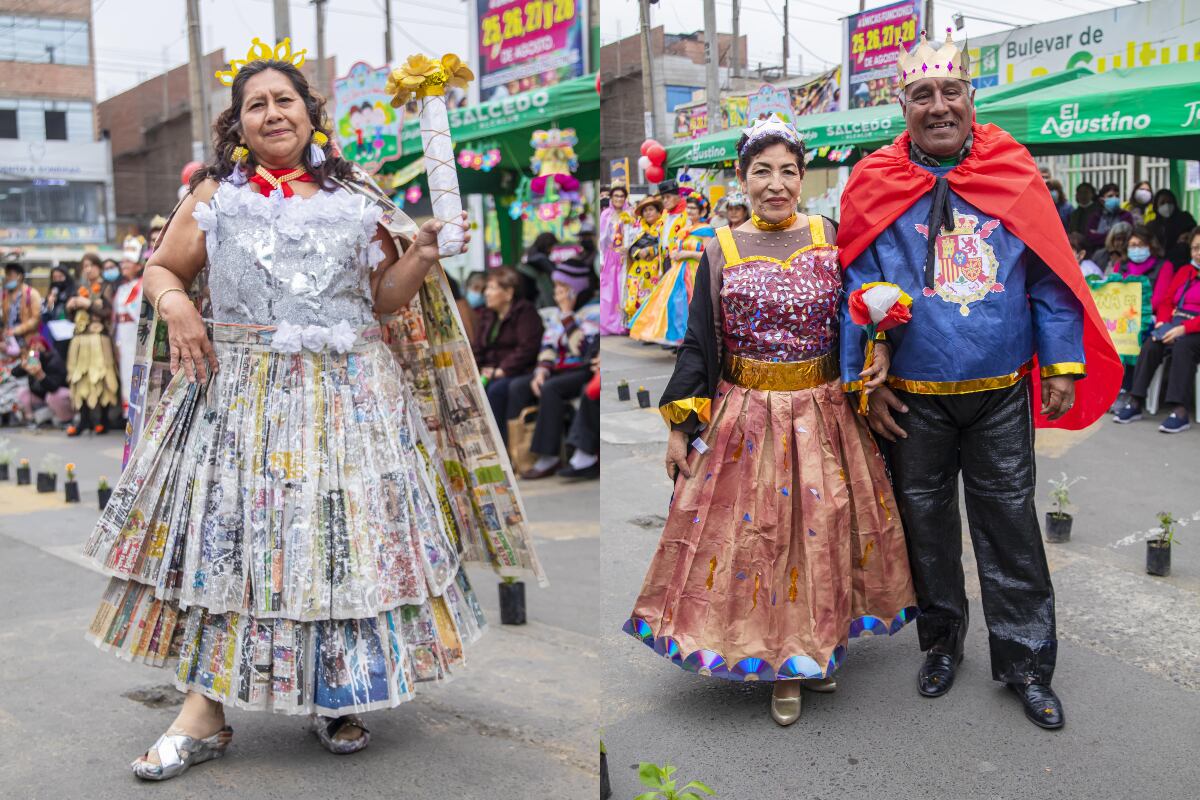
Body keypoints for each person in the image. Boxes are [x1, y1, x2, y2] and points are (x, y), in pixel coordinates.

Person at [80, 47, 539, 780]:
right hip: (240, 400)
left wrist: (420, 253)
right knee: (229, 546)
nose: (273, 114)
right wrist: (173, 304)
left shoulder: (359, 196)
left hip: (349, 403)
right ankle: (205, 712)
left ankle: (336, 691)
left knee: (338, 543)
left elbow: (383, 300)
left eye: (284, 101)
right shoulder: (213, 197)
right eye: (256, 104)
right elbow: (164, 267)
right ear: (241, 123)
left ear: (309, 112)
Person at [837, 30, 1121, 731]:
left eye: (951, 91)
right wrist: (865, 381)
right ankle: (939, 642)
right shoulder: (875, 180)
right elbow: (854, 281)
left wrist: (1059, 361)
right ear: (900, 104)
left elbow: (1050, 274)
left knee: (1010, 527)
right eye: (921, 94)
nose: (938, 106)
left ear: (972, 97)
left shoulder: (1013, 170)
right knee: (926, 529)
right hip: (913, 399)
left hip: (999, 392)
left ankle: (1026, 661)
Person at [625, 115, 917, 726]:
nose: (776, 184)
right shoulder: (717, 249)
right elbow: (699, 346)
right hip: (746, 419)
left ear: (803, 178)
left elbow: (863, 314)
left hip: (825, 413)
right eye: (763, 171)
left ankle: (817, 647)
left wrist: (878, 352)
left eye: (788, 171)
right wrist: (681, 426)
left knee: (824, 531)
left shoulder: (832, 237)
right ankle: (784, 662)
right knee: (763, 546)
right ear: (742, 178)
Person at [507, 267, 599, 479]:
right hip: (559, 370)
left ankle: (548, 456)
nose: (557, 292)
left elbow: (583, 348)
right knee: (519, 386)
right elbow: (548, 346)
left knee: (552, 389)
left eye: (562, 287)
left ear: (575, 290)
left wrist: (568, 315)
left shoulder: (593, 311)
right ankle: (517, 452)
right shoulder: (557, 315)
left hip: (583, 369)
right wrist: (541, 371)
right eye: (556, 286)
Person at [1114, 226, 1200, 432]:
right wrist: (1162, 322)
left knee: (1182, 347)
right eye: (1196, 247)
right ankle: (1135, 401)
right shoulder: (1185, 271)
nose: (1199, 252)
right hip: (1175, 322)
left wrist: (1184, 329)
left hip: (1193, 329)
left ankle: (1180, 411)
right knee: (1152, 342)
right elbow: (1167, 301)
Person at [628, 191, 714, 345]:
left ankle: (695, 339)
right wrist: (675, 253)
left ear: (702, 211)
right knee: (676, 305)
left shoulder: (705, 230)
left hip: (695, 272)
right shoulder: (685, 229)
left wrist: (685, 253)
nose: (690, 211)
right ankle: (681, 338)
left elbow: (708, 255)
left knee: (692, 305)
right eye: (688, 208)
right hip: (679, 270)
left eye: (694, 208)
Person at [472, 267, 543, 442]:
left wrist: (502, 370)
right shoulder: (488, 314)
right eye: (487, 288)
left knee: (497, 390)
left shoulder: (525, 312)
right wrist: (476, 368)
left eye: (492, 288)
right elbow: (479, 347)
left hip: (519, 370)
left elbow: (527, 348)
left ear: (509, 292)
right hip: (492, 371)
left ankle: (503, 445)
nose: (486, 293)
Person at [64, 255, 119, 436]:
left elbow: (107, 312)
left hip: (98, 339)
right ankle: (84, 421)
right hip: (80, 339)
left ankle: (103, 421)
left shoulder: (106, 287)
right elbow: (71, 318)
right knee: (80, 379)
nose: (88, 269)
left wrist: (87, 304)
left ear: (98, 268)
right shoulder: (80, 289)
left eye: (91, 266)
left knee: (102, 378)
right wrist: (70, 307)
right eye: (85, 266)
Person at [558, 337, 600, 479]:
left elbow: (579, 345)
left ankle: (584, 453)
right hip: (585, 362)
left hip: (586, 364)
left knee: (589, 391)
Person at [113, 236, 146, 416]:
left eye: (128, 262)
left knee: (136, 374)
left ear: (138, 265)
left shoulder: (141, 286)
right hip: (123, 337)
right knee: (125, 375)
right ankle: (128, 418)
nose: (124, 265)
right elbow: (117, 319)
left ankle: (137, 415)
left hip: (135, 335)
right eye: (123, 261)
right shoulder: (121, 288)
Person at [11, 333, 72, 426]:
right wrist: (23, 366)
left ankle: (66, 419)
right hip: (41, 397)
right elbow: (14, 373)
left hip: (60, 395)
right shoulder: (33, 360)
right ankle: (32, 419)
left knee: (52, 397)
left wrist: (40, 375)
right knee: (22, 392)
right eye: (34, 350)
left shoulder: (54, 360)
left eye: (39, 349)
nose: (37, 353)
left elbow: (53, 388)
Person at [1108, 225, 1174, 309]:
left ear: (1150, 245)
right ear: (1127, 248)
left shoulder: (1164, 266)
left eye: (1141, 244)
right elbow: (1114, 293)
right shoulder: (1119, 266)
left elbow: (1158, 300)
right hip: (1121, 313)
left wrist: (1134, 311)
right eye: (1132, 245)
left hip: (1149, 315)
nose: (1137, 248)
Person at [624, 197, 664, 325]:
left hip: (656, 271)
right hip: (638, 271)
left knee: (654, 298)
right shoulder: (638, 231)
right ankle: (638, 326)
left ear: (658, 212)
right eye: (645, 210)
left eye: (651, 209)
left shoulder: (663, 228)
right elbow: (631, 248)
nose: (648, 213)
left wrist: (650, 251)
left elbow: (665, 246)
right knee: (637, 297)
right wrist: (638, 252)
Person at [599, 183, 633, 335]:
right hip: (609, 256)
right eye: (616, 196)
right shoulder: (605, 214)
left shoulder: (631, 213)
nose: (619, 199)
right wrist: (601, 258)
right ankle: (609, 323)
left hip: (625, 257)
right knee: (609, 290)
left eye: (621, 196)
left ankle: (624, 323)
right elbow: (601, 238)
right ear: (611, 198)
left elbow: (635, 233)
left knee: (623, 288)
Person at [2, 261, 43, 357]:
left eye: (10, 275)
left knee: (28, 367)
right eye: (6, 275)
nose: (7, 278)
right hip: (10, 342)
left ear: (19, 276)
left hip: (27, 341)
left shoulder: (32, 293)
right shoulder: (5, 295)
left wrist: (17, 330)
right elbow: (5, 319)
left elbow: (35, 319)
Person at [1147, 189, 1197, 267]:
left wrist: (1189, 236)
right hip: (1160, 266)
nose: (1166, 205)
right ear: (1156, 206)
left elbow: (1195, 235)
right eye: (1162, 203)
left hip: (1185, 263)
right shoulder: (1151, 226)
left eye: (1169, 202)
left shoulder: (1185, 219)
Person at [41, 265, 78, 364]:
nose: (57, 280)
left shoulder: (73, 294)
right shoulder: (51, 296)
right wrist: (49, 304)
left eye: (60, 277)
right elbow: (44, 318)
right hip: (53, 336)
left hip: (69, 336)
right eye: (55, 278)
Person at [1086, 182, 1135, 251]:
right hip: (1099, 253)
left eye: (1117, 196)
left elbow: (1127, 236)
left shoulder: (1126, 215)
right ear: (1102, 200)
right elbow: (1091, 238)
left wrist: (1100, 235)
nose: (1114, 198)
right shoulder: (1096, 217)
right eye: (1110, 196)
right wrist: (1114, 235)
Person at [519, 232, 558, 308]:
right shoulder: (540, 258)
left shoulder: (529, 253)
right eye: (552, 246)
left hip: (527, 295)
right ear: (547, 245)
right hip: (537, 296)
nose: (552, 250)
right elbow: (555, 274)